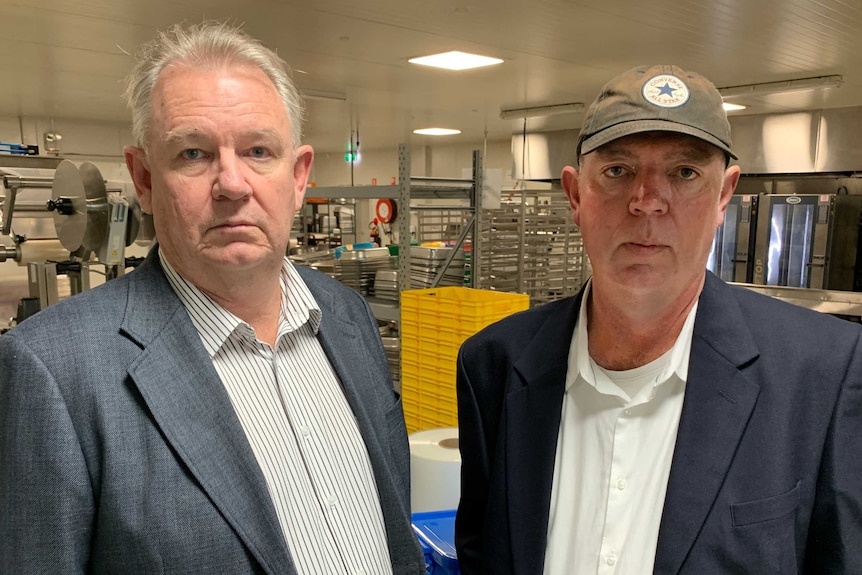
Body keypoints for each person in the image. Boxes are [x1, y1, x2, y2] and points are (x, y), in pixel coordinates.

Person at [0, 22, 424, 574]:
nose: (232, 183)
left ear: (298, 178)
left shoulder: (346, 316)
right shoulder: (53, 371)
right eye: (194, 153)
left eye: (258, 150)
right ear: (144, 179)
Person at [455, 64, 862, 574]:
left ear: (723, 196)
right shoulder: (494, 366)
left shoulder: (822, 374)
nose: (647, 201)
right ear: (577, 194)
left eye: (684, 173)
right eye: (618, 170)